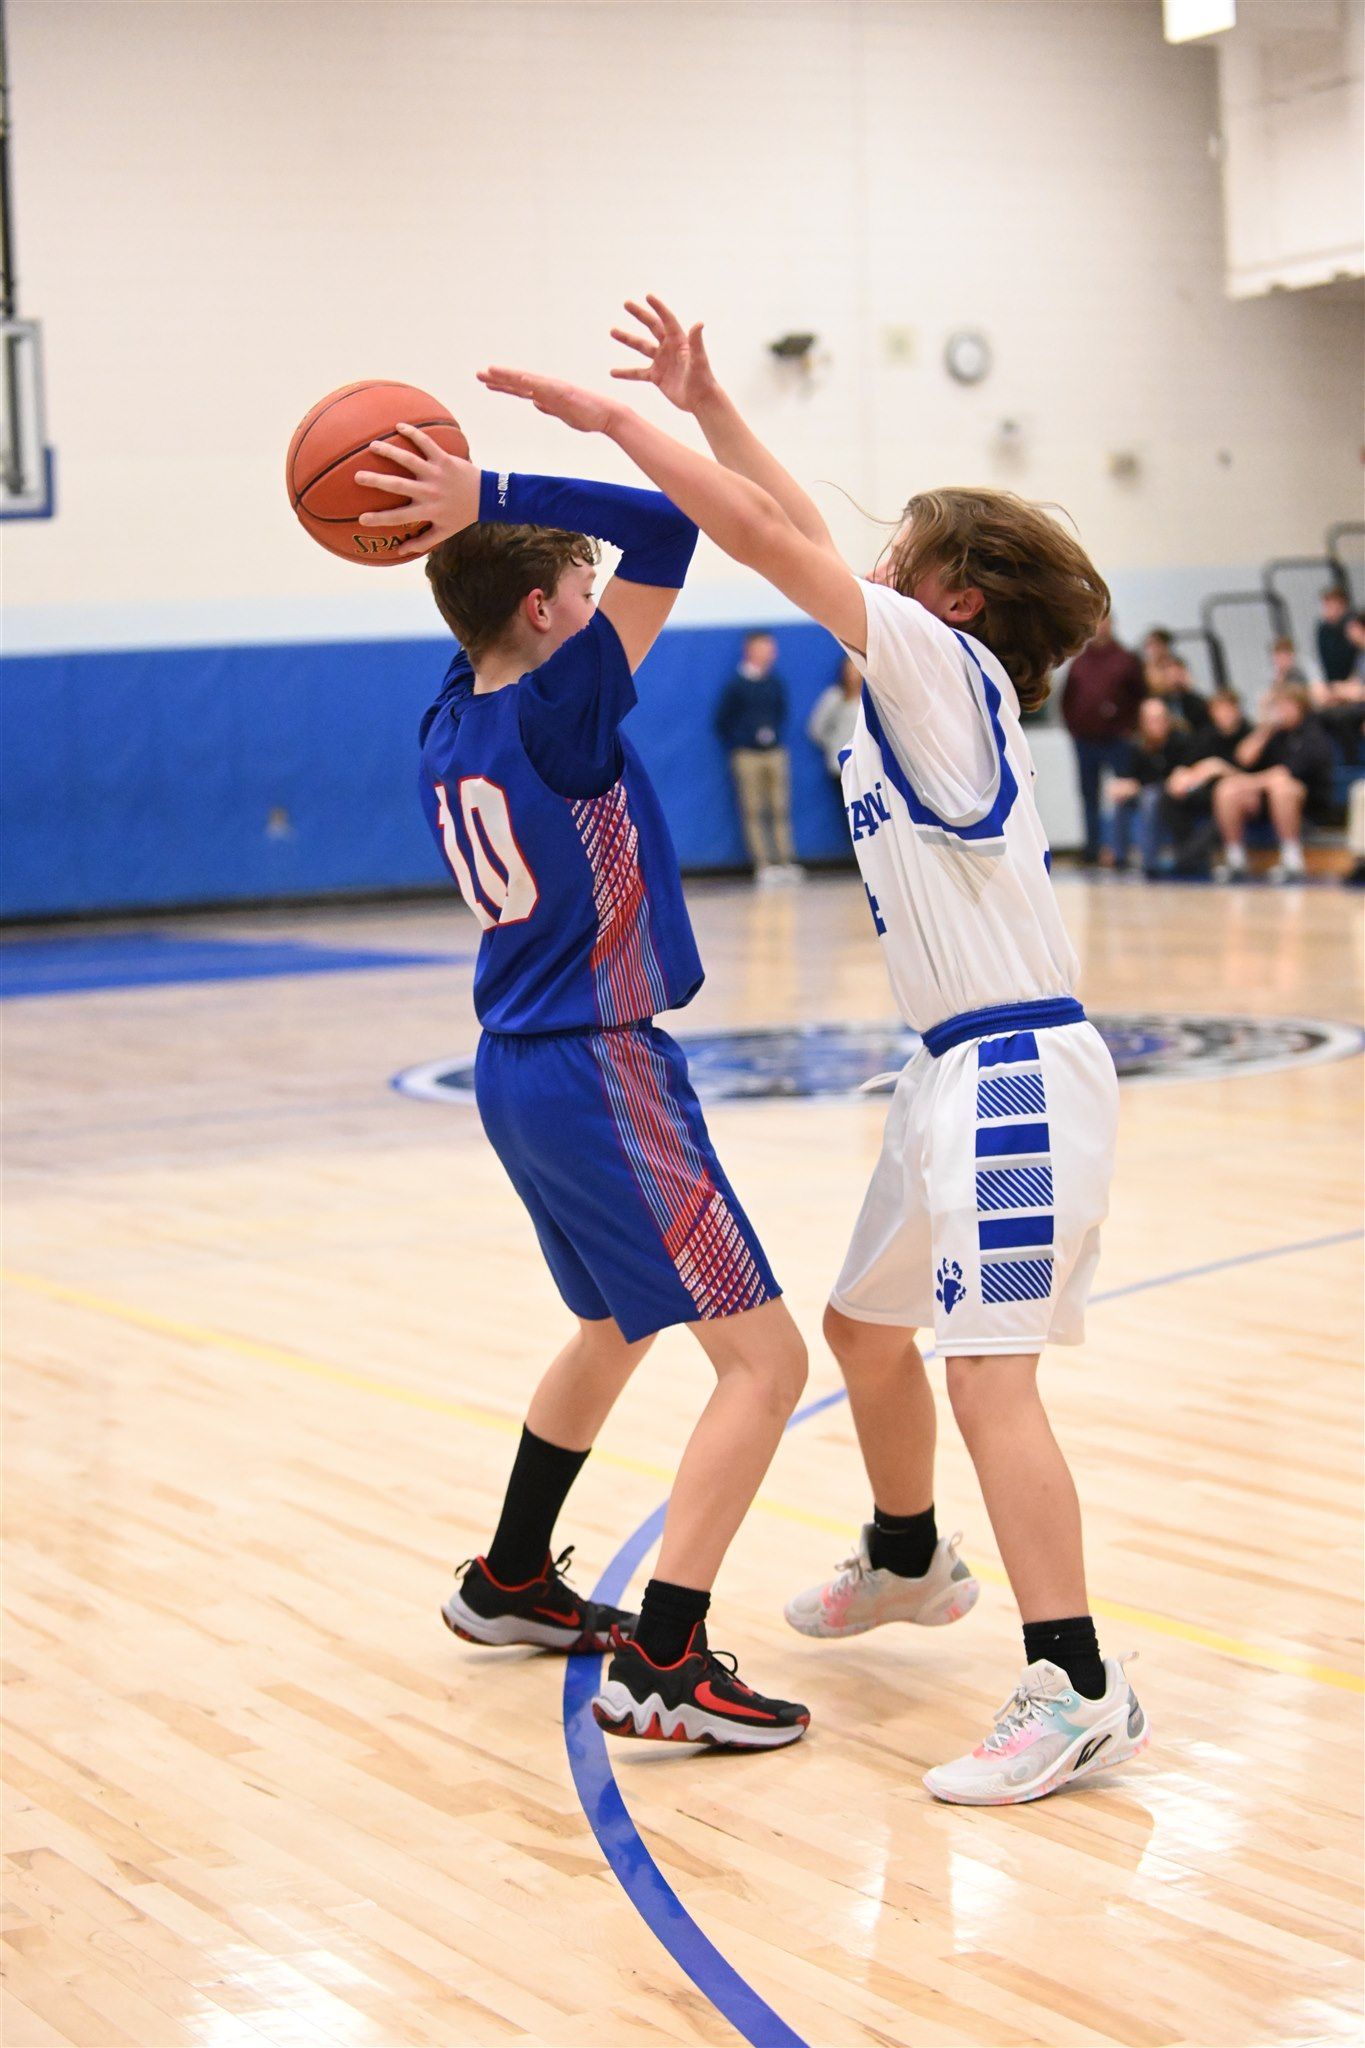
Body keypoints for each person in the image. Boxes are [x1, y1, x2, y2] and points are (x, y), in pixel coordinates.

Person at [457, 294, 1149, 1806]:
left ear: (953, 597)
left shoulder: (931, 666)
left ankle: (1078, 1682)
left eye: (899, 546)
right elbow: (776, 513)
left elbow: (765, 538)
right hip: (945, 1072)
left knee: (990, 1383)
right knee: (860, 1331)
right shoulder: (913, 655)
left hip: (1017, 1068)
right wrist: (704, 403)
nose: (868, 555)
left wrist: (593, 437)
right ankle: (908, 1554)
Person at [352, 431, 811, 1750]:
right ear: (548, 610)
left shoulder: (457, 707)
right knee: (766, 1362)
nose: (605, 589)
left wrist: (468, 531)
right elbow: (672, 523)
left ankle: (508, 1578)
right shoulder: (558, 712)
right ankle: (666, 1661)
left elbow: (510, 583)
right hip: (602, 1065)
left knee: (617, 1323)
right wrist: (490, 496)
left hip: (519, 1067)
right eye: (579, 580)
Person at [1212, 684, 1337, 883]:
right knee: (1226, 789)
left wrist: (1247, 782)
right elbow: (1243, 758)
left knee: (1281, 789)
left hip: (1309, 806)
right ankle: (1236, 859)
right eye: (1278, 705)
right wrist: (1264, 727)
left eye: (1286, 705)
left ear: (1300, 706)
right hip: (1266, 800)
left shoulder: (1313, 733)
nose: (1282, 711)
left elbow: (1283, 775)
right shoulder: (1272, 733)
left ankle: (1292, 860)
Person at [714, 630, 803, 884]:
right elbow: (722, 720)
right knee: (753, 809)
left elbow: (781, 711)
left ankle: (785, 861)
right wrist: (741, 741)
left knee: (780, 808)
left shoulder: (775, 682)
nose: (770, 653)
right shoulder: (736, 685)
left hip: (774, 752)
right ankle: (763, 865)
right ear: (751, 650)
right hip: (747, 754)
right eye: (764, 647)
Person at [1059, 615, 1146, 864]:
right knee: (1089, 795)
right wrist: (1074, 728)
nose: (1100, 628)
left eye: (1104, 622)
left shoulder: (1126, 660)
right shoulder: (1080, 662)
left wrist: (1129, 728)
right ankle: (1093, 849)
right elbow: (1067, 699)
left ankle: (1123, 850)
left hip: (1117, 740)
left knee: (1123, 793)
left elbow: (1140, 696)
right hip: (1085, 741)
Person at [1157, 685, 1250, 875]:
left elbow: (1253, 776)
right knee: (1168, 796)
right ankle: (1185, 853)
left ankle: (1183, 858)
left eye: (1228, 709)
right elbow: (1189, 764)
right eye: (1219, 710)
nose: (1224, 714)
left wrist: (1222, 768)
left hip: (1239, 796)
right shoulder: (1206, 736)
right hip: (1206, 793)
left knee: (1224, 806)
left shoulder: (1248, 734)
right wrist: (1181, 775)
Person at [1101, 695, 1195, 874]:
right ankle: (1118, 857)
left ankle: (1149, 862)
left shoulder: (1180, 741)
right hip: (1146, 789)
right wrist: (1124, 786)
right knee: (1121, 799)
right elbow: (1133, 777)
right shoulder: (1137, 745)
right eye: (1151, 720)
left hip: (1173, 793)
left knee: (1150, 798)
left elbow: (1183, 774)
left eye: (1160, 718)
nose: (1156, 724)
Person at [808, 655, 863, 781]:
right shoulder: (834, 697)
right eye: (850, 670)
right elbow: (816, 728)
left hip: (867, 765)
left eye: (857, 669)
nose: (854, 675)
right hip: (841, 764)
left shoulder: (872, 699)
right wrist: (833, 744)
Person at [1146, 652, 1211, 732]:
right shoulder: (1154, 705)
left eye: (1177, 673)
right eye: (1170, 673)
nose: (1174, 678)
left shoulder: (1198, 703)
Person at [1316, 586, 1355, 685]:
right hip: (1335, 681)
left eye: (1330, 604)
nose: (1326, 608)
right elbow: (1325, 661)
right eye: (1325, 605)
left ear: (1342, 605)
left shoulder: (1354, 625)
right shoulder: (1323, 629)